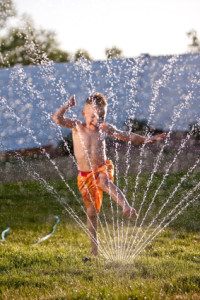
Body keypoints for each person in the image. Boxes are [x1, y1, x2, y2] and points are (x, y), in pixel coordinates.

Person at [53, 93, 166, 256]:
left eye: (101, 116)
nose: (97, 120)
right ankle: (94, 249)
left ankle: (126, 206)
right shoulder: (77, 126)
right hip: (85, 176)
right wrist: (67, 105)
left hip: (102, 168)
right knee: (91, 213)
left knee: (104, 182)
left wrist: (147, 139)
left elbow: (125, 135)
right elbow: (57, 118)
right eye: (93, 116)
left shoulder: (105, 128)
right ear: (83, 114)